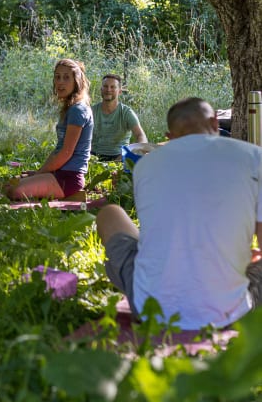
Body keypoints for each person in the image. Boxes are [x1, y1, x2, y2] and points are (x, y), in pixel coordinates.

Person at [96, 97, 262, 330]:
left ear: (169, 137)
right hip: (232, 311)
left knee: (110, 214)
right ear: (215, 122)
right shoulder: (255, 157)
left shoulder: (145, 165)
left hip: (151, 309)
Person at [4, 58, 93, 200]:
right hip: (59, 173)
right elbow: (58, 149)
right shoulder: (71, 108)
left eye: (66, 77)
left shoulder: (78, 110)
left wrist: (40, 174)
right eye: (57, 77)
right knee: (8, 184)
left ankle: (71, 196)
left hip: (69, 178)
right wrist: (39, 172)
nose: (60, 82)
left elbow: (66, 153)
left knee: (13, 190)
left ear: (77, 81)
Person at [91, 73, 147, 161]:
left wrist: (129, 154)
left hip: (120, 157)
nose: (108, 90)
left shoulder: (126, 113)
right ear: (101, 89)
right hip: (93, 157)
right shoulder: (91, 111)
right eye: (105, 86)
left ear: (120, 91)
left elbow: (141, 136)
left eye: (113, 87)